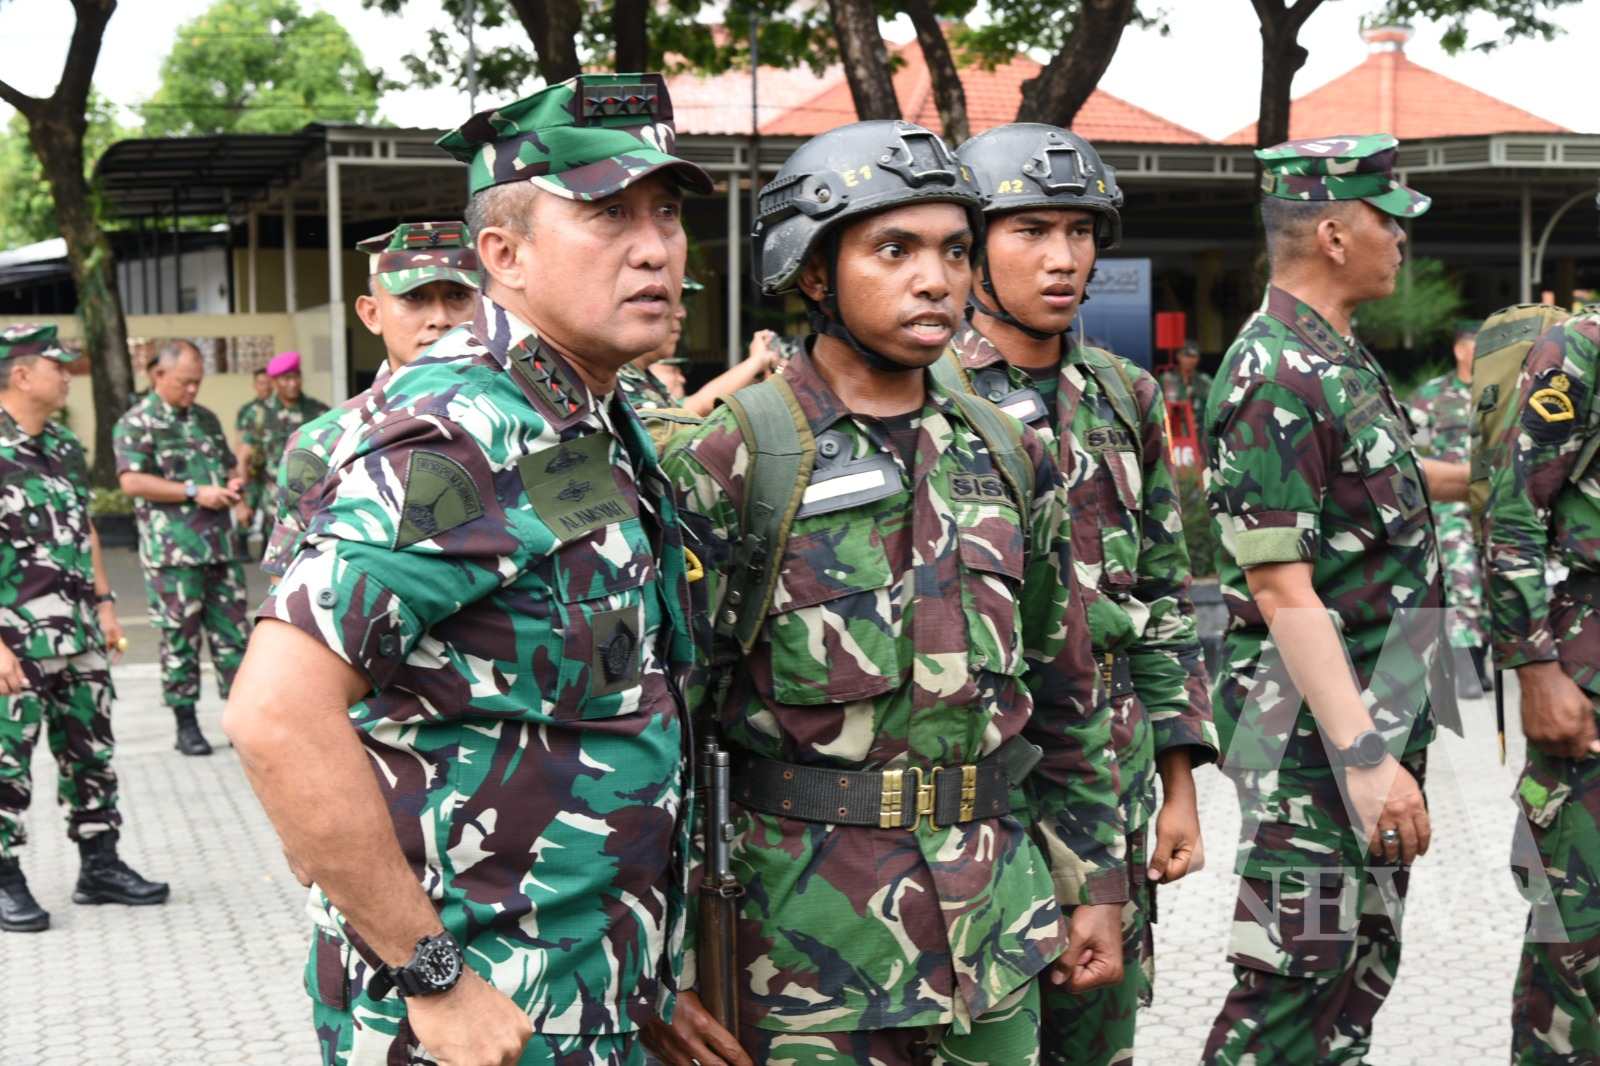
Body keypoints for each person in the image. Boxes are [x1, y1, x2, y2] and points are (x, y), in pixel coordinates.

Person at [222, 72, 712, 1066]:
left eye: (664, 212)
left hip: (586, 988)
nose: (655, 245)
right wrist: (431, 977)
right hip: (479, 1017)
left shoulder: (585, 414)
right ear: (504, 254)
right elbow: (277, 715)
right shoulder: (458, 427)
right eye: (607, 214)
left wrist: (645, 969)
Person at [650, 118, 1125, 1066]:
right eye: (894, 249)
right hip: (801, 957)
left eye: (955, 250)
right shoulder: (731, 456)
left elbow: (1066, 689)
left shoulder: (1010, 451)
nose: (936, 278)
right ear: (814, 273)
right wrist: (663, 959)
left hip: (993, 933)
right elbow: (663, 727)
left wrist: (1095, 880)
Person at [951, 123, 1219, 1066]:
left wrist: (1180, 779)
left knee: (1099, 1043)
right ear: (972, 244)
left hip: (1110, 792)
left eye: (1080, 231)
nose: (1064, 259)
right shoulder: (926, 392)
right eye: (1030, 231)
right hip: (978, 808)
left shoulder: (1124, 393)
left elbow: (1161, 597)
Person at [1200, 134, 1468, 1065]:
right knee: (1290, 987)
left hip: (1375, 717)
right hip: (1316, 741)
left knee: (1351, 985)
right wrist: (1362, 759)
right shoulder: (1273, 370)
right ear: (1333, 233)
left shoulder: (1335, 357)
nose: (1404, 241)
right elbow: (1280, 586)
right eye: (1388, 221)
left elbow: (1369, 490)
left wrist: (1475, 479)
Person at [0, 325, 168, 933]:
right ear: (21, 375)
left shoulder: (65, 446)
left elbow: (86, 528)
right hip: (14, 637)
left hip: (77, 631)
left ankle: (99, 865)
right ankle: (4, 874)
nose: (67, 373)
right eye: (56, 365)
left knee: (90, 753)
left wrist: (103, 602)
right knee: (6, 761)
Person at [1483, 310, 1600, 1063]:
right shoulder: (1583, 349)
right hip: (1589, 683)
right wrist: (1534, 668)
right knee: (1578, 954)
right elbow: (1515, 512)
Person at [259, 220, 481, 579]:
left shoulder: (535, 420)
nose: (440, 319)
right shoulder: (323, 445)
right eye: (415, 298)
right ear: (371, 313)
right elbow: (287, 589)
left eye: (457, 297)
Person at [113, 340, 251, 757]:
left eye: (197, 383)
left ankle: (241, 721)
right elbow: (132, 482)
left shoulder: (205, 419)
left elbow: (227, 465)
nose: (192, 391)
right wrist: (194, 492)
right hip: (173, 555)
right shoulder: (137, 422)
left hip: (221, 549)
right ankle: (185, 724)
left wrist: (233, 487)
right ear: (159, 376)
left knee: (234, 638)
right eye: (184, 383)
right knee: (180, 640)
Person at [1412, 321, 1490, 696]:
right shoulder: (1433, 395)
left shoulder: (1499, 392)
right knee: (1462, 581)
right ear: (1460, 349)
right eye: (1478, 345)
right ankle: (1468, 669)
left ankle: (1482, 659)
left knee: (1493, 582)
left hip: (1492, 503)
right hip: (1451, 506)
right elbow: (1407, 448)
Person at [241, 350, 330, 527]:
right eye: (286, 378)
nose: (293, 383)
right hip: (273, 504)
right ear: (274, 382)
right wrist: (245, 502)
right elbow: (248, 459)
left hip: (311, 503)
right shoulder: (259, 414)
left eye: (296, 377)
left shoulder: (318, 412)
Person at [1159, 340, 1212, 461]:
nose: (1190, 360)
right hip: (1173, 437)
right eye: (1186, 356)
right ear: (1179, 356)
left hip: (1199, 438)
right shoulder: (1167, 380)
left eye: (1194, 356)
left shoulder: (1205, 382)